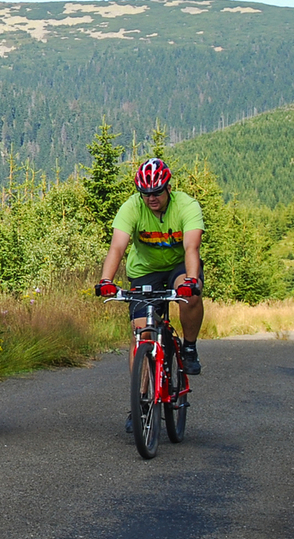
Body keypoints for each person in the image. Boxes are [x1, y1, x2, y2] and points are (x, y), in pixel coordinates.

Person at [98, 157, 205, 432]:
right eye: (145, 193)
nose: (151, 198)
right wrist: (106, 281)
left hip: (179, 266)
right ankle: (141, 402)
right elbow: (117, 247)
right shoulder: (132, 207)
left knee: (190, 296)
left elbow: (192, 247)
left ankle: (189, 347)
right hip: (145, 271)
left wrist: (191, 281)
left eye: (156, 192)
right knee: (142, 332)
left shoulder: (187, 205)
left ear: (169, 188)